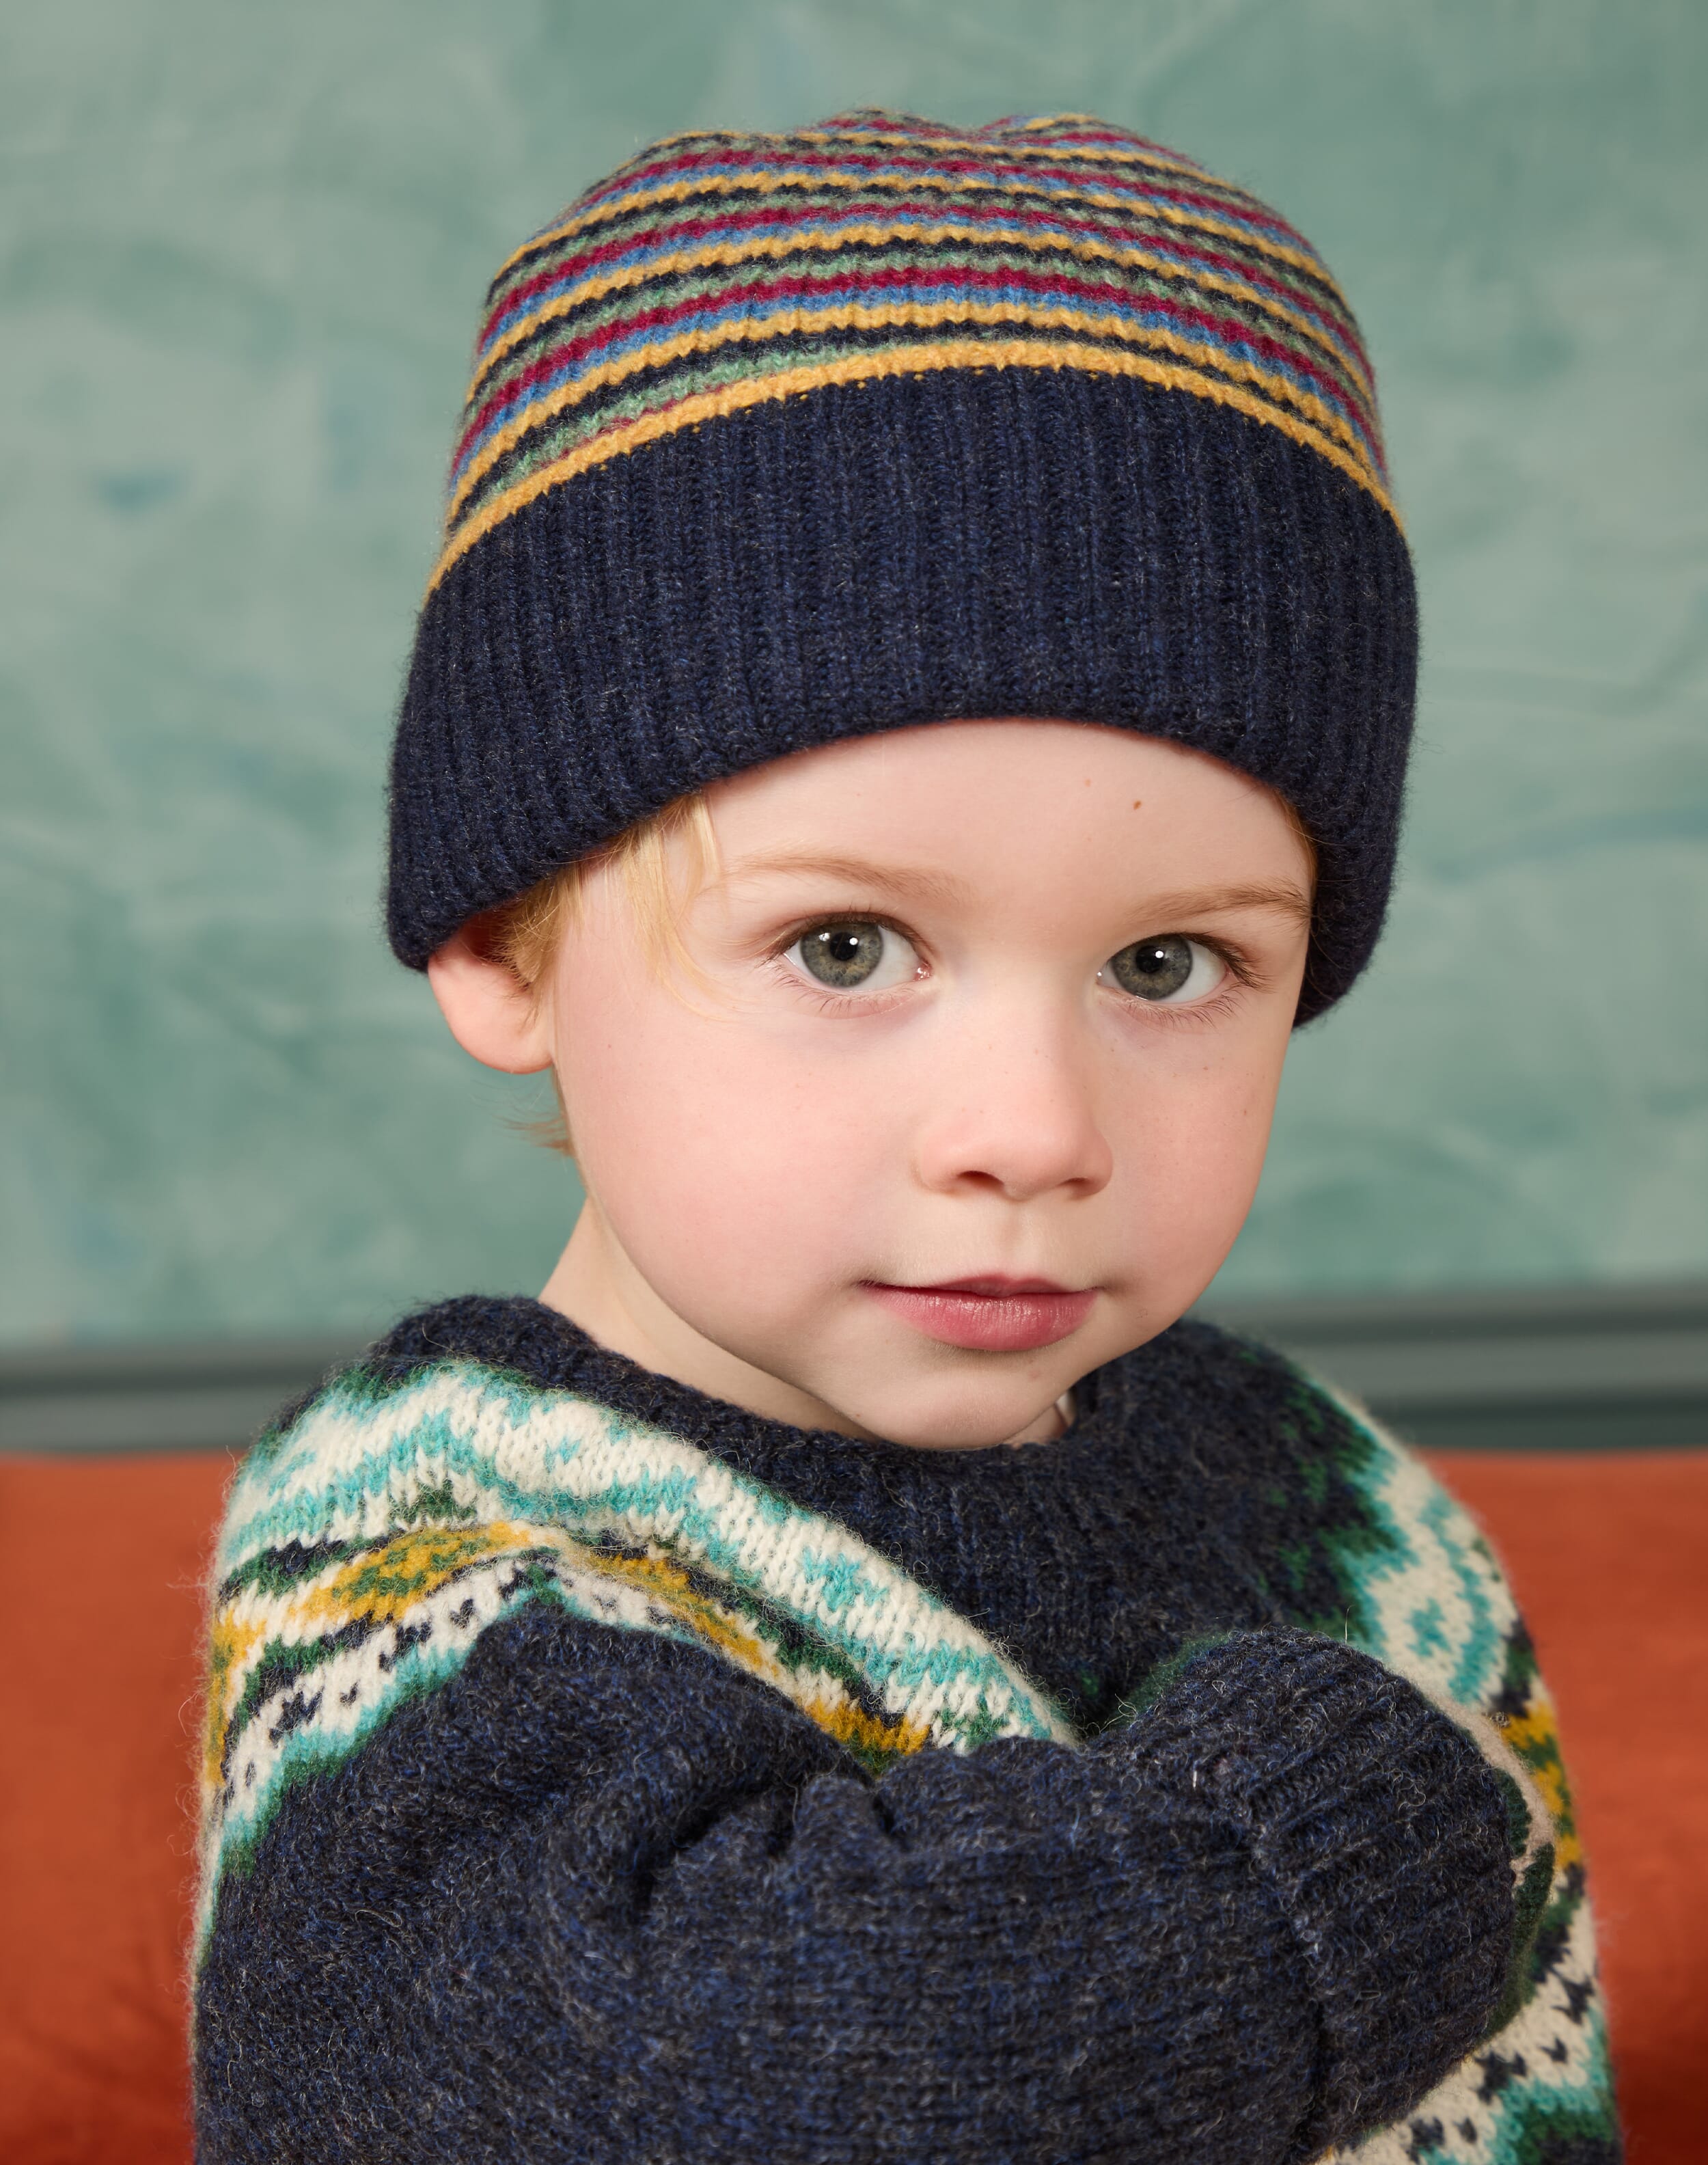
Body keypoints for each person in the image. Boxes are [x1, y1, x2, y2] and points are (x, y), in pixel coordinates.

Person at [193, 113, 1620, 2164]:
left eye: (1164, 968)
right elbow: (697, 2085)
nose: (1029, 1132)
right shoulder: (428, 1556)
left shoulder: (1347, 1511)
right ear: (508, 944)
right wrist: (1329, 1848)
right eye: (845, 946)